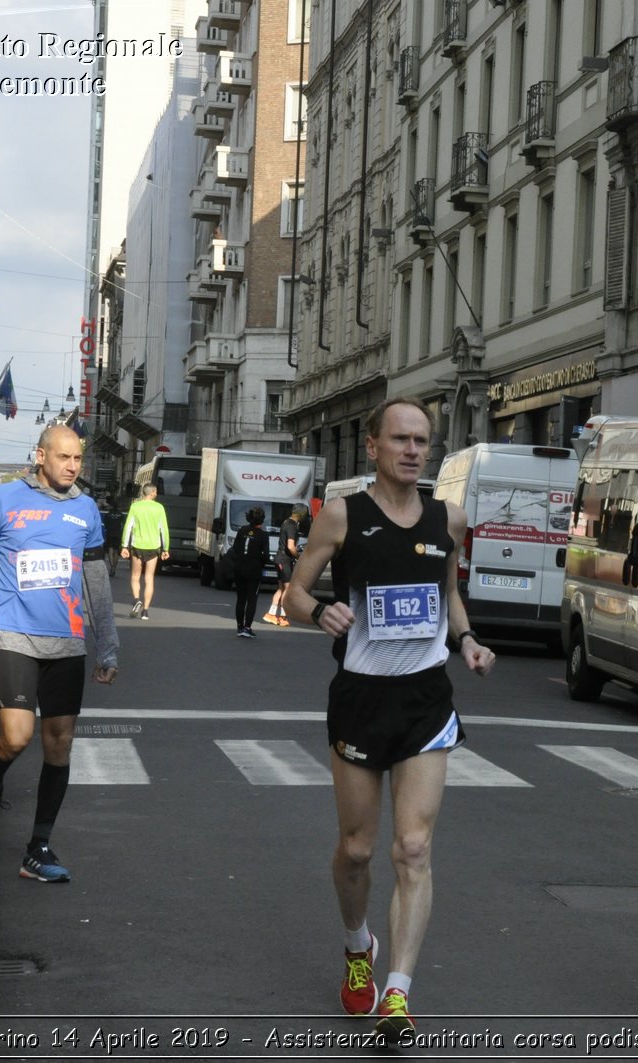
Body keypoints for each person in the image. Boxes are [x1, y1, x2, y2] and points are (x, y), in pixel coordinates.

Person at [285, 397, 496, 1039]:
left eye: (421, 441)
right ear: (372, 445)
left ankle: (398, 991)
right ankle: (358, 948)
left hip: (425, 700)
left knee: (413, 847)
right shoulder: (342, 517)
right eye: (400, 439)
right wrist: (320, 612)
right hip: (361, 697)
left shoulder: (449, 518)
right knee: (356, 848)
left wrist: (466, 640)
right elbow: (293, 593)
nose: (412, 450)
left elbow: (448, 592)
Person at [0, 424, 120, 884]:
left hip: (66, 642)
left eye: (78, 459)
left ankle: (38, 847)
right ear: (41, 456)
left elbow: (97, 584)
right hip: (12, 635)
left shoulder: (86, 510)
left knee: (60, 744)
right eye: (64, 457)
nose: (72, 466)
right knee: (16, 736)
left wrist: (106, 644)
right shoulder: (3, 501)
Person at [121, 481, 170, 619]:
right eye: (156, 492)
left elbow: (128, 527)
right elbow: (164, 530)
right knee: (149, 578)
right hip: (153, 547)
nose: (156, 493)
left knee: (135, 577)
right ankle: (146, 611)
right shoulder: (159, 508)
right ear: (153, 493)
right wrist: (165, 548)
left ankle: (137, 600)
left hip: (137, 546)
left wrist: (124, 546)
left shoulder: (135, 507)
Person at [263, 504, 309, 626]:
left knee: (282, 588)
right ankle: (281, 615)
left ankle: (272, 614)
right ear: (301, 514)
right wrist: (298, 556)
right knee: (287, 590)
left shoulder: (286, 522)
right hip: (284, 560)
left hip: (281, 559)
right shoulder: (292, 526)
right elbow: (290, 546)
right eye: (305, 514)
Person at [230, 506, 269, 637]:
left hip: (239, 568)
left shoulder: (242, 530)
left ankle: (239, 627)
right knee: (252, 599)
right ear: (262, 520)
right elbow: (266, 555)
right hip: (254, 571)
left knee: (241, 599)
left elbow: (235, 548)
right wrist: (260, 564)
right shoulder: (263, 535)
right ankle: (247, 628)